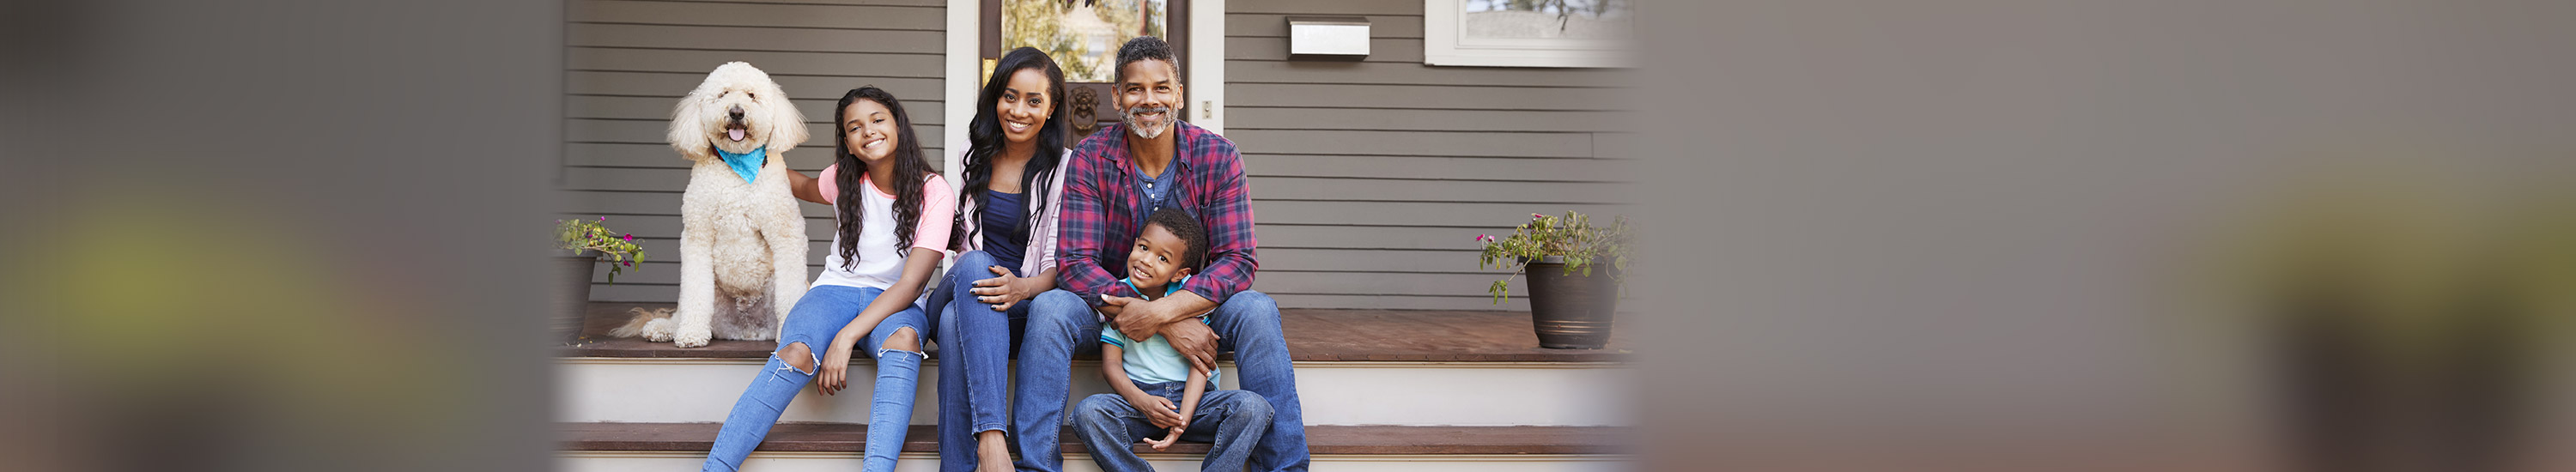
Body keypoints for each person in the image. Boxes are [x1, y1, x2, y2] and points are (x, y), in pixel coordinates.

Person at [1017, 35, 1310, 472]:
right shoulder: (1091, 158)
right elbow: (1076, 264)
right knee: (1051, 307)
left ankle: (1285, 467)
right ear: (1117, 96)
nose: (1148, 100)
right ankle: (1034, 467)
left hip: (1198, 307)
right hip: (1109, 308)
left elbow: (1238, 260)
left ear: (1180, 94)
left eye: (1161, 88)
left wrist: (1164, 312)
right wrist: (1153, 316)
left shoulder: (1219, 156)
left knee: (1257, 310)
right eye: (1135, 89)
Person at [702, 87, 955, 472]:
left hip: (897, 302)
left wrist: (847, 336)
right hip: (832, 293)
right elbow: (799, 185)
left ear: (898, 125)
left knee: (904, 339)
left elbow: (912, 285)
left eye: (877, 120)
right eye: (854, 128)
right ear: (849, 144)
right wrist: (738, 159)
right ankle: (716, 467)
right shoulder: (843, 179)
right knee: (795, 353)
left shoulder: (934, 191)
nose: (868, 131)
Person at [918, 46, 1073, 472]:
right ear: (996, 99)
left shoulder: (1065, 169)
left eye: (1033, 100)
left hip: (1018, 305)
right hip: (962, 285)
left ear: (1051, 108)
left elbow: (1064, 260)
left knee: (953, 325)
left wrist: (1023, 286)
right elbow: (958, 241)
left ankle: (959, 465)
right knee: (972, 264)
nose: (1018, 110)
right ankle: (992, 438)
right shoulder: (979, 156)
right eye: (1009, 96)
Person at [1072, 209, 1273, 472]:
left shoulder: (1190, 299)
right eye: (1143, 247)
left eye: (1162, 258)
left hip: (1196, 403)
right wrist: (1141, 401)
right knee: (1087, 413)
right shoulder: (1120, 298)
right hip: (1141, 403)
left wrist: (1183, 419)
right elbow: (1111, 366)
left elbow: (1201, 363)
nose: (1146, 261)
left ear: (1179, 273)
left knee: (1254, 408)